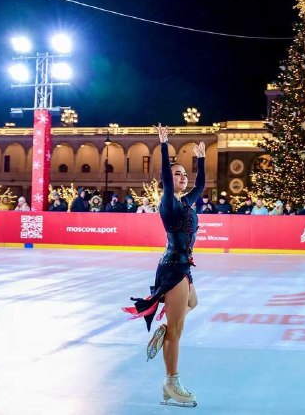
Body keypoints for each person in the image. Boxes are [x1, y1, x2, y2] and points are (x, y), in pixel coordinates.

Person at [123, 124, 204, 407]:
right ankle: (171, 382)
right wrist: (165, 144)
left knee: (193, 302)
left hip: (184, 266)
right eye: (177, 174)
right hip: (172, 267)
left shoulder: (188, 203)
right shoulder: (168, 202)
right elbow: (167, 178)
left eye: (185, 174)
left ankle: (165, 330)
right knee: (177, 330)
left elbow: (201, 185)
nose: (181, 177)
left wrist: (202, 160)